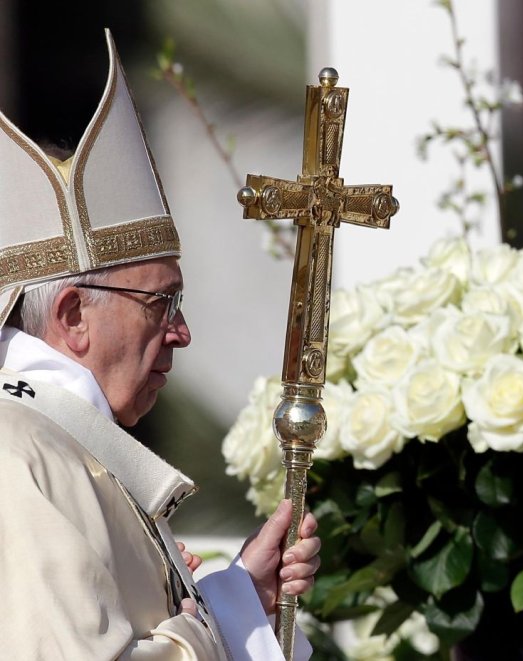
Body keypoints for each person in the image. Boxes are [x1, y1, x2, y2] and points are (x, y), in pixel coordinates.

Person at [0, 30, 319, 659]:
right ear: (73, 315)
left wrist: (238, 598)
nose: (181, 331)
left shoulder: (67, 446)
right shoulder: (20, 457)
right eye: (160, 303)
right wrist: (221, 622)